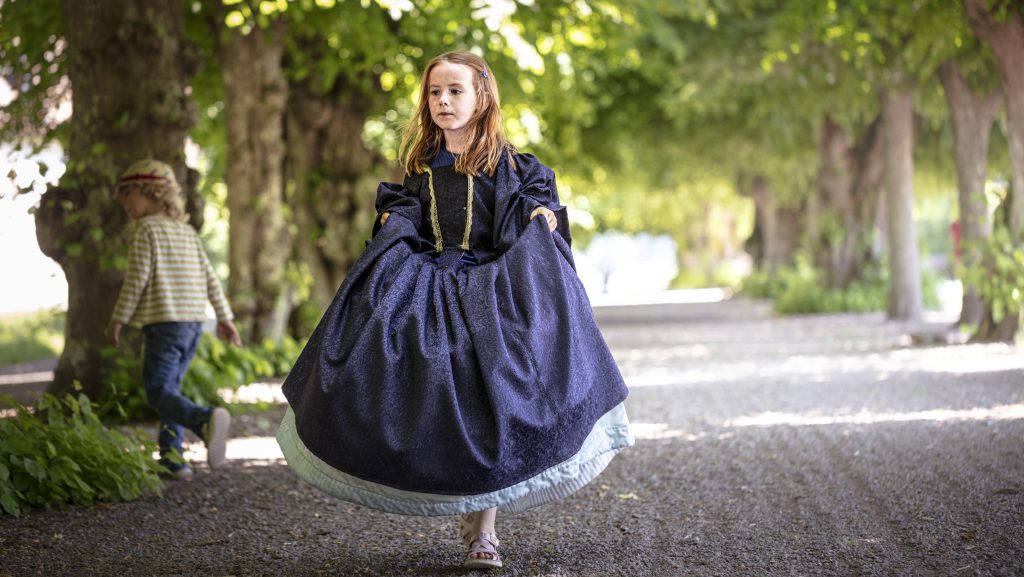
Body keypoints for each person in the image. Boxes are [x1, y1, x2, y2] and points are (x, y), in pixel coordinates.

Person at [277, 51, 633, 569]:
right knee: (423, 388)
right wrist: (393, 223)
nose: (443, 101)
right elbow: (410, 219)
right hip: (430, 286)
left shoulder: (512, 166)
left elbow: (530, 208)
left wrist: (540, 216)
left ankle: (484, 532)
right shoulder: (421, 166)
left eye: (455, 91)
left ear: (482, 96)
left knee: (489, 396)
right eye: (434, 93)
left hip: (493, 290)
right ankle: (457, 496)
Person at [106, 159, 242, 481]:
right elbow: (211, 280)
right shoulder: (187, 233)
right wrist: (225, 319)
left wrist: (117, 319)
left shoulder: (146, 230)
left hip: (164, 324)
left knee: (157, 390)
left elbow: (136, 279)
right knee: (172, 389)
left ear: (150, 192)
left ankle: (205, 419)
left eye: (128, 194)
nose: (124, 203)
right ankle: (172, 458)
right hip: (194, 325)